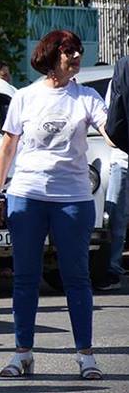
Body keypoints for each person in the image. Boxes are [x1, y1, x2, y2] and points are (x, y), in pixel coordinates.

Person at [0, 30, 107, 380]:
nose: (75, 57)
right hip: (27, 195)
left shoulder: (86, 97)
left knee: (77, 278)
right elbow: (8, 147)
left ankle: (85, 355)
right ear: (51, 55)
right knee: (25, 278)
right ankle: (22, 353)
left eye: (78, 51)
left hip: (73, 200)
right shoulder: (25, 97)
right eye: (69, 51)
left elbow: (109, 129)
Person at [99, 81, 128, 291]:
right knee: (115, 218)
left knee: (116, 217)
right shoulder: (120, 78)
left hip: (121, 158)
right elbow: (111, 118)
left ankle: (113, 268)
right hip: (122, 158)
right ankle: (112, 269)